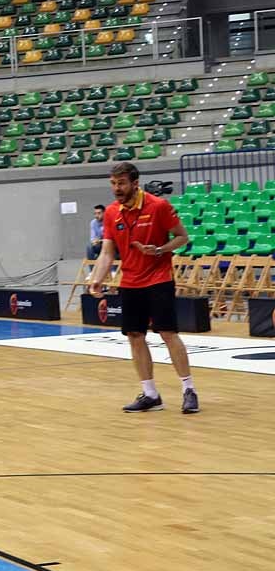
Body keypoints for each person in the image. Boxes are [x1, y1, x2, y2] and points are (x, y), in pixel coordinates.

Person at [88, 163, 199, 414]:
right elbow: (107, 251)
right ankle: (150, 394)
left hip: (159, 278)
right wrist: (98, 277)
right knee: (135, 336)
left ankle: (189, 390)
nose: (117, 188)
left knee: (168, 333)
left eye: (122, 183)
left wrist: (160, 250)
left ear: (135, 183)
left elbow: (182, 237)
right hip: (130, 282)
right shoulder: (111, 213)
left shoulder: (157, 206)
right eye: (113, 183)